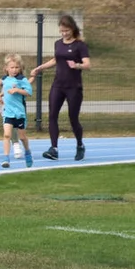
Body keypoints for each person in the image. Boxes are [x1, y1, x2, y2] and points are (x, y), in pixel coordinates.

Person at [30, 14, 91, 161]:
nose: (64, 33)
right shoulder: (58, 44)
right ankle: (54, 149)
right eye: (62, 31)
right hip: (58, 85)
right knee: (52, 115)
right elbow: (56, 59)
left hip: (73, 87)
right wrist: (40, 68)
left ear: (72, 29)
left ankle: (80, 145)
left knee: (73, 118)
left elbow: (88, 64)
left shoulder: (80, 45)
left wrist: (76, 65)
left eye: (67, 31)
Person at [0, 54, 35, 169]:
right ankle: (6, 158)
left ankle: (27, 152)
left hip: (19, 113)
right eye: (12, 67)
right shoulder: (5, 79)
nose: (14, 70)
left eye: (17, 67)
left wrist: (17, 90)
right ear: (6, 68)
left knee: (22, 137)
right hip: (8, 112)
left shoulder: (22, 80)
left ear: (20, 68)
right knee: (7, 135)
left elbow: (29, 92)